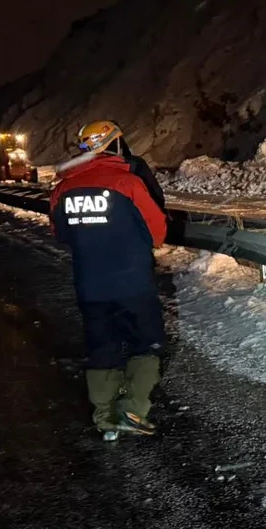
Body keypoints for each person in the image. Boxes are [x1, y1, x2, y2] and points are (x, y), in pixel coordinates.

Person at [50, 120, 168, 441]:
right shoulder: (127, 183)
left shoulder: (62, 188)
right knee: (148, 343)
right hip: (133, 284)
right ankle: (131, 409)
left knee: (102, 347)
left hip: (90, 284)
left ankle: (104, 418)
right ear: (114, 144)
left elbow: (60, 233)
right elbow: (157, 232)